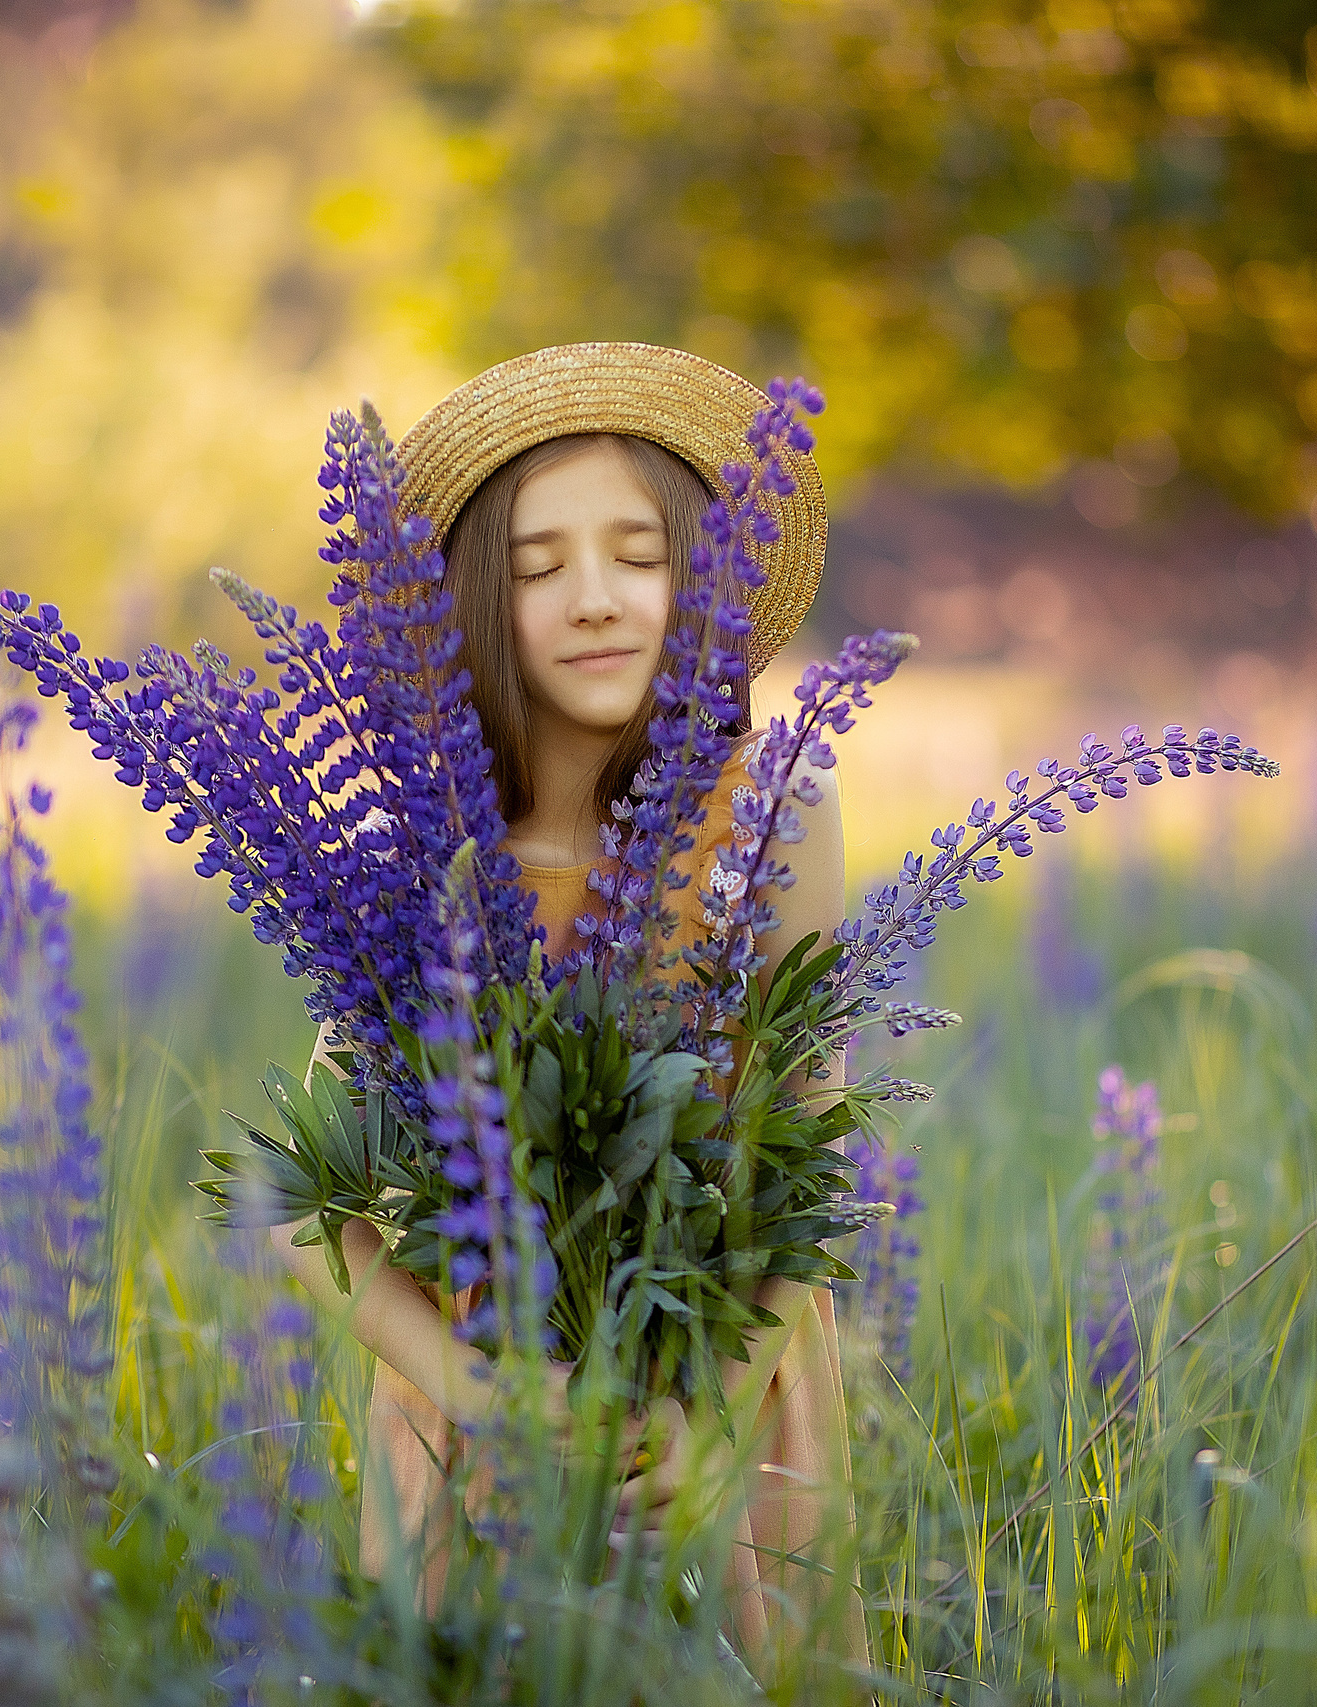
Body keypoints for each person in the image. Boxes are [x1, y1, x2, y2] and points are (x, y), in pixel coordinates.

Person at [266, 343, 870, 1669]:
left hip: (728, 1401)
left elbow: (815, 1156)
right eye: (539, 567)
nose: (594, 600)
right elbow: (311, 1209)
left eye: (639, 554)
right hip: (483, 1410)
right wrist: (478, 1391)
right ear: (479, 603)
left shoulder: (770, 810)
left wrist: (706, 1420)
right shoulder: (423, 858)